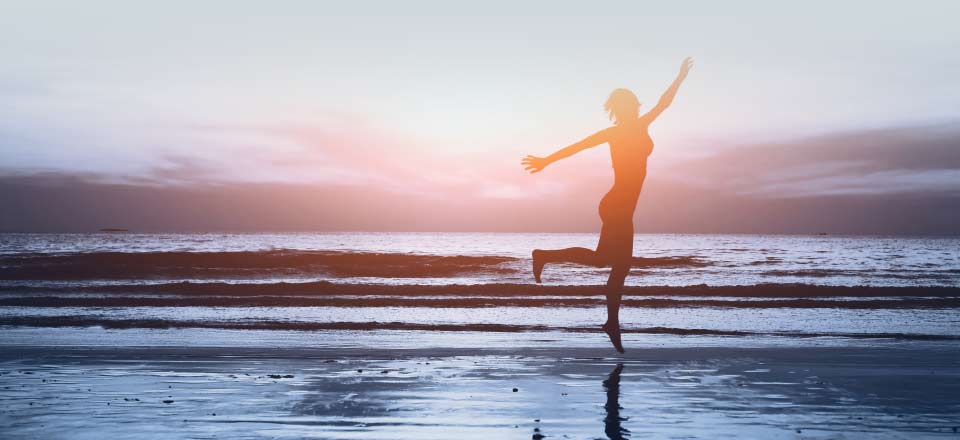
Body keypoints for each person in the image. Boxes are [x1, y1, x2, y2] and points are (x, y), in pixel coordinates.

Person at [521, 57, 694, 353]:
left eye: (634, 105)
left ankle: (547, 258)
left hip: (620, 205)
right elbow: (578, 146)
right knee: (619, 264)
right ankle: (610, 321)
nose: (635, 108)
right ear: (623, 109)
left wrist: (679, 78)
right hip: (617, 205)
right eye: (629, 105)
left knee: (607, 261)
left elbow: (663, 104)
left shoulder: (636, 126)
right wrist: (546, 160)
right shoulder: (619, 131)